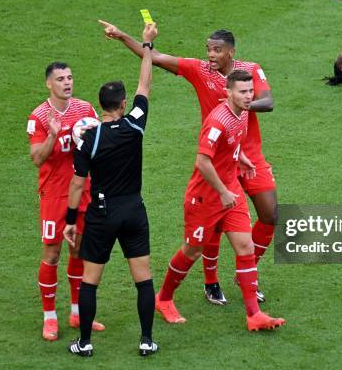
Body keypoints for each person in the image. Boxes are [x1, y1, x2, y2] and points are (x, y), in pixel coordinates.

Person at [99, 20, 276, 304]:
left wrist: (242, 102)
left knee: (270, 215)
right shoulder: (199, 70)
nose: (211, 55)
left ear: (231, 52)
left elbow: (267, 102)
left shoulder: (249, 72)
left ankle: (246, 273)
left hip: (248, 155)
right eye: (208, 49)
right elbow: (154, 58)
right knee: (215, 224)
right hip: (218, 159)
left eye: (217, 50)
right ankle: (211, 282)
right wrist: (122, 36)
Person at [153, 69, 285, 332]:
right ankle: (163, 298)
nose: (248, 97)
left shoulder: (243, 113)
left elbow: (232, 146)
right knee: (192, 251)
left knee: (246, 247)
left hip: (230, 190)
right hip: (205, 198)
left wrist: (241, 159)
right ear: (228, 92)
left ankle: (253, 315)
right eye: (242, 92)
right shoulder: (218, 121)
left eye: (250, 91)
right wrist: (223, 192)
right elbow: (202, 161)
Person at [64, 22, 159, 357]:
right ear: (121, 104)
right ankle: (147, 340)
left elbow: (78, 183)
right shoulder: (134, 123)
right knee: (143, 279)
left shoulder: (88, 139)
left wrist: (71, 220)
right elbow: (145, 84)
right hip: (133, 210)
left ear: (101, 105)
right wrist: (146, 45)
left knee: (90, 280)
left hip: (102, 213)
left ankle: (85, 342)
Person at [27, 62, 105, 341]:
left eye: (70, 77)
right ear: (49, 84)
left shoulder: (85, 110)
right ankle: (49, 318)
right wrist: (52, 134)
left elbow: (100, 143)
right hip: (54, 194)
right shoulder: (38, 116)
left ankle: (77, 313)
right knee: (52, 253)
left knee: (79, 250)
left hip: (83, 191)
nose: (67, 82)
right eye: (60, 79)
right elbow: (37, 158)